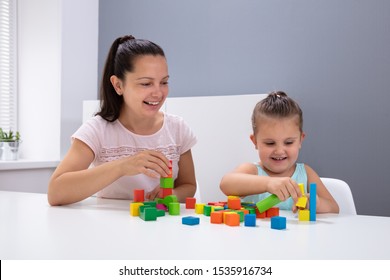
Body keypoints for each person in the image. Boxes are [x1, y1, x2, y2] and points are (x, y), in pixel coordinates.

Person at [48, 35, 197, 206]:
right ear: (118, 85)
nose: (158, 93)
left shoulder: (177, 128)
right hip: (110, 228)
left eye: (164, 82)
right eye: (146, 84)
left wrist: (171, 195)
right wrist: (123, 166)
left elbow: (188, 185)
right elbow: (55, 193)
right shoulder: (97, 130)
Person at [220, 91, 339, 213]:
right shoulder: (252, 171)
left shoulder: (306, 173)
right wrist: (268, 183)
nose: (279, 151)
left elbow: (334, 208)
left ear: (300, 141)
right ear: (255, 142)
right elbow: (226, 183)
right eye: (270, 143)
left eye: (288, 143)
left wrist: (315, 204)